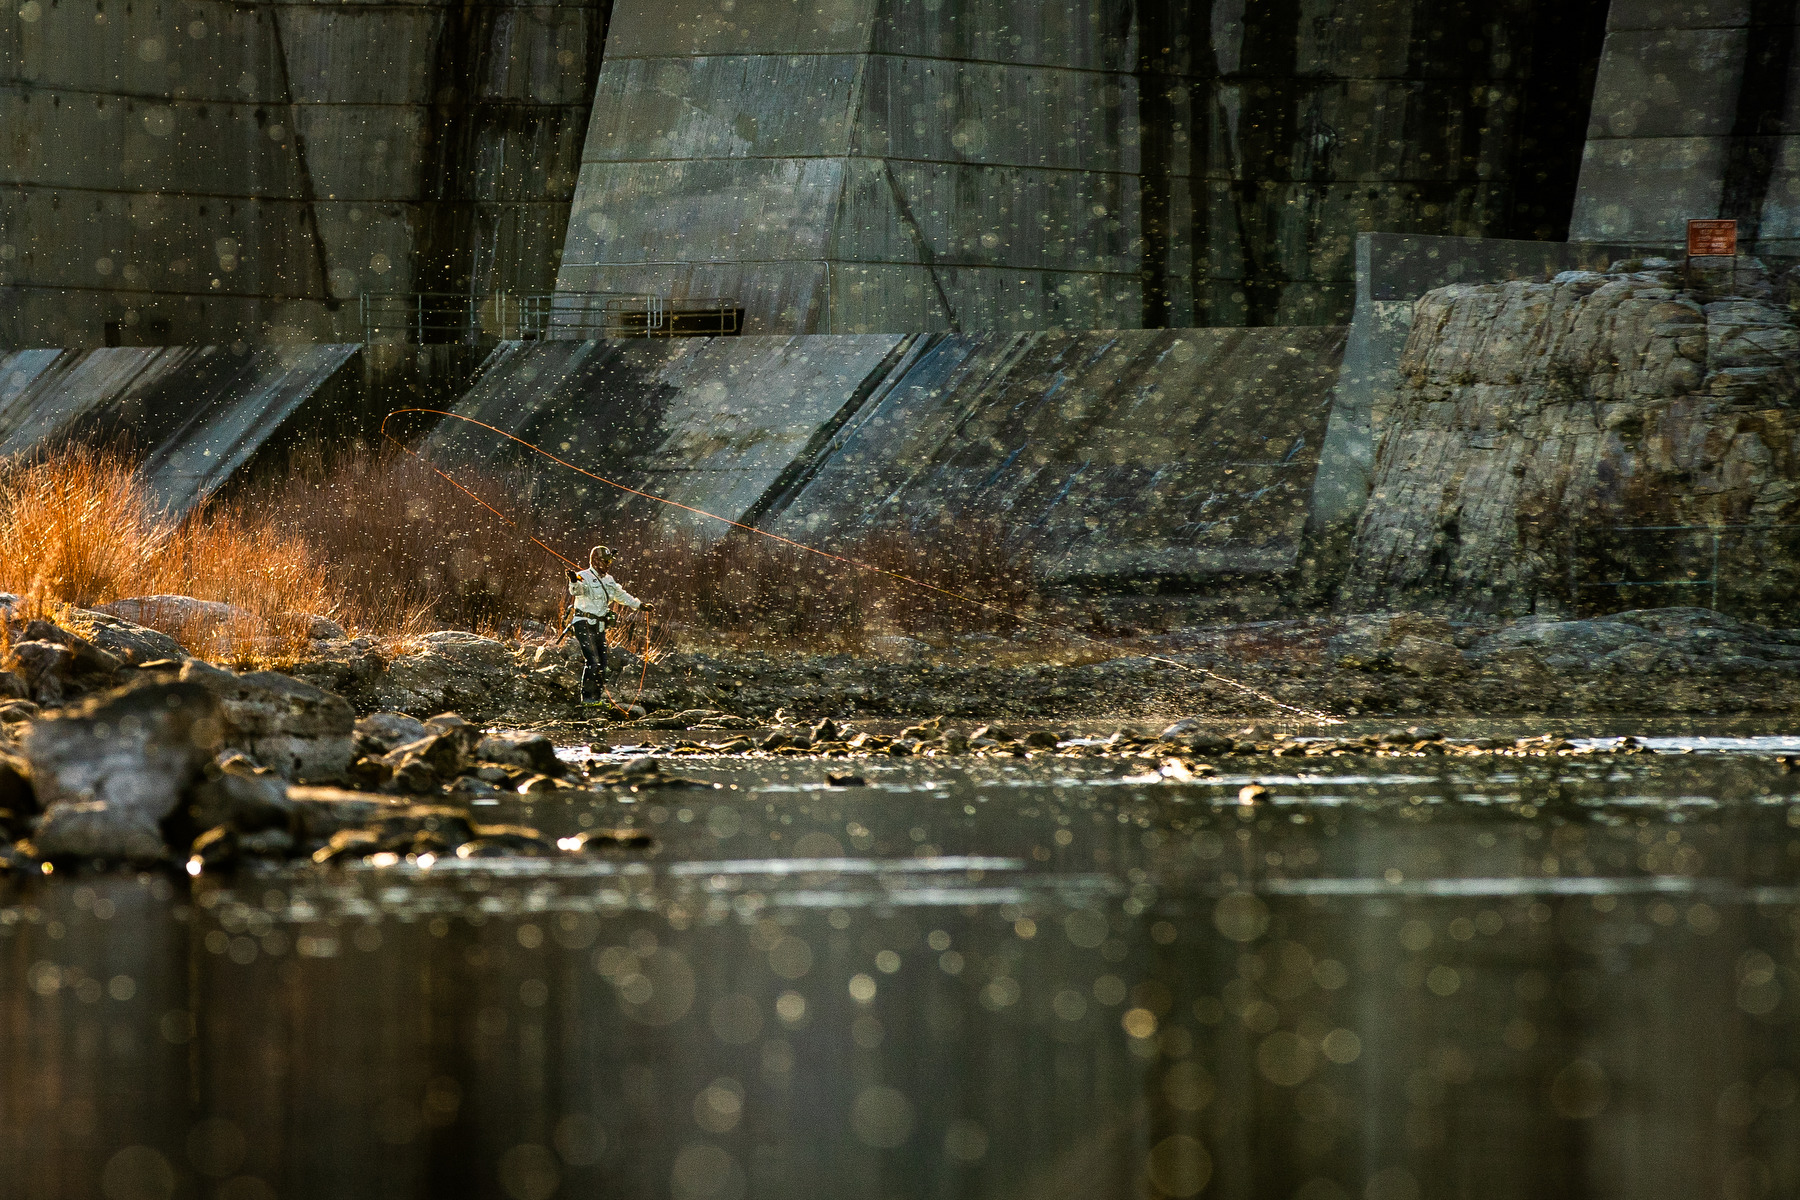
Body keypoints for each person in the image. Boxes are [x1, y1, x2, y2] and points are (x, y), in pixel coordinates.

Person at [564, 545, 653, 708]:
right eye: (605, 561)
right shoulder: (582, 576)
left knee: (603, 663)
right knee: (593, 661)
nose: (607, 564)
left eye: (609, 561)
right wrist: (572, 580)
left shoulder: (609, 580)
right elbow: (576, 591)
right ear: (595, 561)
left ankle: (596, 698)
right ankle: (587, 699)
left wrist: (640, 606)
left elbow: (622, 596)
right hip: (582, 622)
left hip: (599, 625)